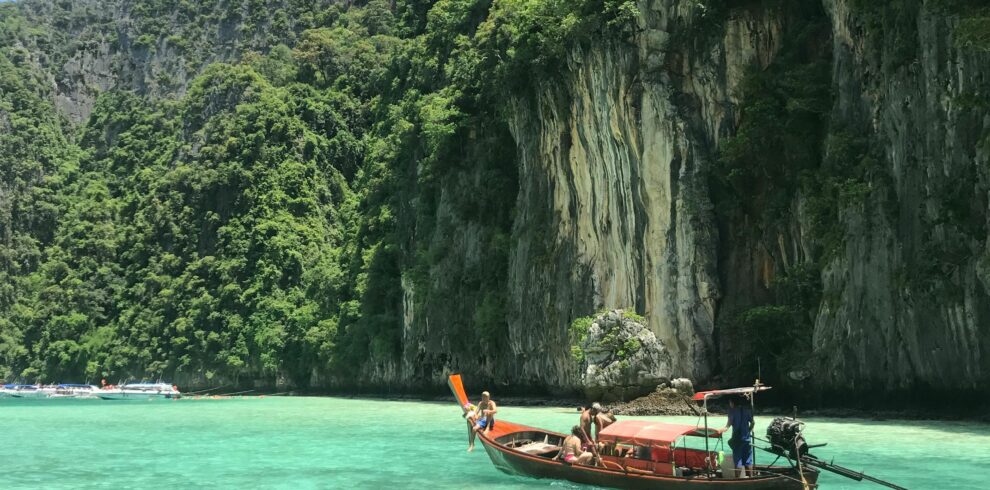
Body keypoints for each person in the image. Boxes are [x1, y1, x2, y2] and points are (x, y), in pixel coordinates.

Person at [724, 395, 755, 477]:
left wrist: (722, 430)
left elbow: (728, 425)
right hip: (747, 439)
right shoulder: (746, 410)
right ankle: (751, 480)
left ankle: (738, 481)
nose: (730, 404)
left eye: (730, 402)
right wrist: (748, 430)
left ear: (733, 403)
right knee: (748, 461)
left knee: (738, 461)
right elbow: (753, 422)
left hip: (737, 440)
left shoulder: (732, 411)